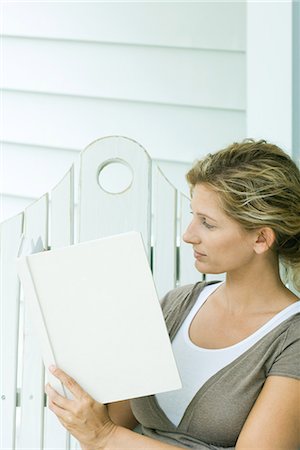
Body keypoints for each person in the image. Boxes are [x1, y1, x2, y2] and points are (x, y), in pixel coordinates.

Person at [46, 139, 300, 450]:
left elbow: (110, 436)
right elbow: (109, 426)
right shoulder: (176, 306)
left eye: (207, 223)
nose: (189, 234)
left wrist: (106, 437)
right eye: (193, 215)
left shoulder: (292, 339)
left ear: (261, 238)